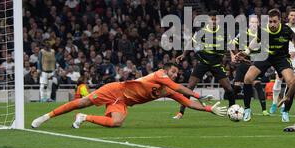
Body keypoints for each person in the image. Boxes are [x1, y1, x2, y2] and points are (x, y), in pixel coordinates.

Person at [31, 63, 224, 129]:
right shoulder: (159, 74)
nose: (175, 74)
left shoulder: (169, 88)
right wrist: (199, 93)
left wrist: (209, 109)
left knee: (116, 123)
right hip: (115, 90)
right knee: (82, 102)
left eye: (176, 73)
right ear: (166, 70)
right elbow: (180, 88)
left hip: (123, 101)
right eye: (173, 71)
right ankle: (45, 117)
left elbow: (187, 103)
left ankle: (84, 118)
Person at [235, 9, 295, 122]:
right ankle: (247, 110)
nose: (272, 24)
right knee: (247, 78)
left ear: (280, 21)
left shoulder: (287, 30)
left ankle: (285, 112)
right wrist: (246, 52)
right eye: (270, 21)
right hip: (265, 56)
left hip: (281, 58)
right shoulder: (262, 29)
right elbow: (255, 41)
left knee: (291, 82)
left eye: (275, 22)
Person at [174, 11, 234, 119]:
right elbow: (191, 43)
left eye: (216, 19)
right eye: (212, 19)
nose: (214, 21)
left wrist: (235, 54)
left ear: (219, 20)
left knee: (228, 88)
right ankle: (181, 112)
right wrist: (183, 54)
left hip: (216, 64)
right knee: (189, 87)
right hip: (203, 63)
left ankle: (233, 110)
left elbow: (231, 45)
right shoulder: (201, 32)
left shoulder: (224, 33)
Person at [270, 9, 295, 120]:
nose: (293, 17)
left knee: (290, 83)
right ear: (288, 17)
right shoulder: (282, 26)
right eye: (291, 15)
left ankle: (285, 106)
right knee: (278, 79)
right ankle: (274, 103)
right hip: (282, 57)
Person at [231, 15, 269, 116]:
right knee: (236, 87)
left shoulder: (261, 34)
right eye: (252, 22)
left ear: (258, 24)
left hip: (255, 64)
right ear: (249, 24)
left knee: (257, 85)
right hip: (244, 63)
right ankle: (231, 107)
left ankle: (264, 110)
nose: (254, 24)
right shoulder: (243, 34)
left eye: (256, 22)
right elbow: (231, 44)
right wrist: (235, 55)